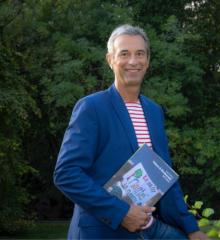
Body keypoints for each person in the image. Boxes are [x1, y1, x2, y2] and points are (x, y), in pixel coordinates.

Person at [53, 24, 208, 240]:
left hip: (151, 229)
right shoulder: (92, 107)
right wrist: (121, 212)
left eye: (140, 54)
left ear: (148, 60)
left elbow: (163, 175)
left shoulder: (154, 111)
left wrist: (191, 229)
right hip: (103, 231)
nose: (133, 61)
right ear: (110, 60)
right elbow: (66, 174)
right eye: (124, 54)